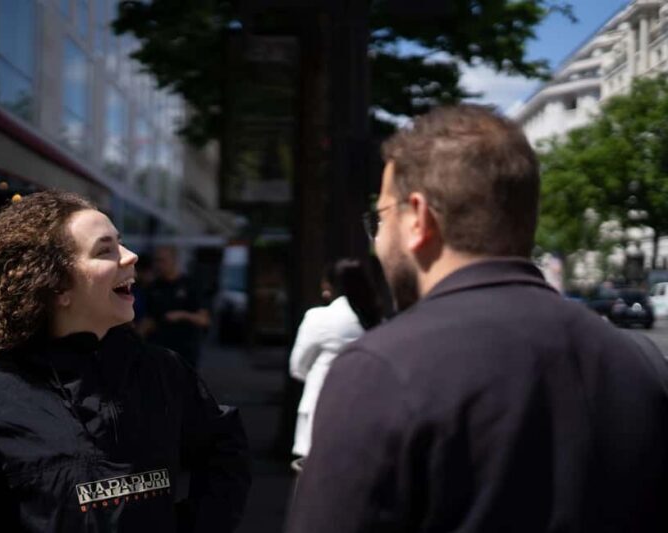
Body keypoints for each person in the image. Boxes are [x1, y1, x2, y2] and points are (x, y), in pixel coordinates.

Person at [285, 105, 668, 532]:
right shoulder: (640, 362)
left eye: (380, 217)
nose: (376, 241)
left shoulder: (380, 367)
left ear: (418, 218)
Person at [0, 191, 250, 532]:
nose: (131, 256)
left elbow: (224, 451)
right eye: (105, 250)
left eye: (121, 243)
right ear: (56, 286)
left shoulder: (165, 372)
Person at [289, 258, 381, 459]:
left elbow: (298, 366)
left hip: (320, 410)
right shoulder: (378, 320)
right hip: (367, 412)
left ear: (330, 286)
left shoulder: (319, 318)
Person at [139, 246, 210, 368]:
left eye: (162, 260)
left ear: (174, 261)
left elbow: (204, 320)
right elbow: (148, 319)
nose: (159, 265)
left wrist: (182, 315)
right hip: (158, 351)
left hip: (184, 352)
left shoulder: (190, 286)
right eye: (156, 261)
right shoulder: (153, 287)